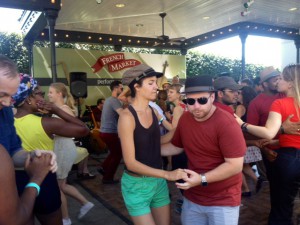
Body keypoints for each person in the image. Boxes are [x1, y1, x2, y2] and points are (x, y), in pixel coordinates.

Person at [162, 75, 246, 225]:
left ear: (212, 97)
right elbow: (176, 146)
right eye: (190, 101)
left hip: (223, 200)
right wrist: (147, 150)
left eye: (202, 100)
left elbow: (235, 165)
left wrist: (201, 179)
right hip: (193, 197)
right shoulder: (185, 119)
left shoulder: (226, 123)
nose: (196, 106)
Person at [118, 64, 187, 225]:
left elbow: (156, 142)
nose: (156, 87)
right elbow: (130, 163)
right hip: (137, 185)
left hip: (158, 182)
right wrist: (168, 174)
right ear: (136, 87)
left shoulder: (153, 111)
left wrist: (183, 129)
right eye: (151, 83)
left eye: (155, 82)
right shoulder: (127, 117)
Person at [236, 64, 300, 225]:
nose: (279, 81)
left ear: (291, 83)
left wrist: (241, 124)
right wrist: (277, 139)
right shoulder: (266, 102)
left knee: (281, 207)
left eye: (282, 78)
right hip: (283, 154)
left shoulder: (280, 103)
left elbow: (268, 132)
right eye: (275, 78)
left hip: (288, 159)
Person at [0, 55, 58, 225]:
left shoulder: (5, 113)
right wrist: (36, 178)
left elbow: (13, 151)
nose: (6, 102)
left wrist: (32, 155)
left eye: (10, 96)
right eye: (2, 94)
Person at [47, 82, 95, 225]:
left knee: (58, 186)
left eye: (50, 92)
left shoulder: (64, 109)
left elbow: (73, 128)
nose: (48, 94)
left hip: (63, 148)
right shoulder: (59, 109)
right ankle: (85, 203)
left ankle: (66, 219)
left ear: (59, 94)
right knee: (62, 185)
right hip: (61, 147)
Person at [235, 86, 262, 196]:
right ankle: (256, 181)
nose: (237, 95)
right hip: (250, 138)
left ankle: (246, 189)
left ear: (243, 95)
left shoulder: (240, 107)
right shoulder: (251, 106)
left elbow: (234, 122)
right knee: (243, 165)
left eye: (239, 93)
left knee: (237, 167)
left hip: (241, 138)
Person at [98, 80, 124, 184]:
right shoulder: (114, 100)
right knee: (118, 154)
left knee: (114, 152)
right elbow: (122, 114)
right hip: (110, 132)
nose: (122, 91)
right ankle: (107, 178)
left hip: (105, 131)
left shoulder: (109, 100)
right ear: (116, 88)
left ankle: (103, 167)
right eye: (121, 88)